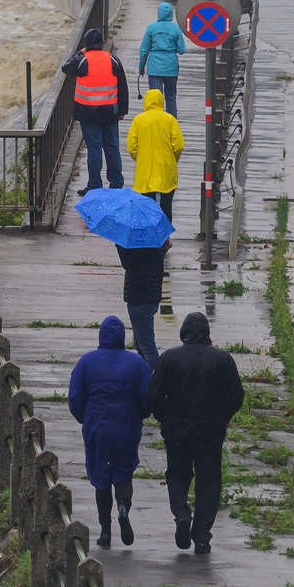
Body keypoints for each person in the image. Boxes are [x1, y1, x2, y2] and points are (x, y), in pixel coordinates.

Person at [149, 311, 244, 556]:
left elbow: (154, 395)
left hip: (177, 430)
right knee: (209, 481)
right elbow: (236, 396)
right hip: (210, 430)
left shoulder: (169, 358)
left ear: (184, 333)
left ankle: (181, 514)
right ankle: (202, 537)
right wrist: (223, 417)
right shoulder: (223, 359)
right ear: (207, 333)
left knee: (177, 475)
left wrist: (165, 419)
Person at [67, 315, 150, 550]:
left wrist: (84, 418)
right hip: (126, 427)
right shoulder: (136, 363)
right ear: (122, 336)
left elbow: (75, 397)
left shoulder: (86, 362)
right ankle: (123, 507)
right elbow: (146, 397)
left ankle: (105, 531)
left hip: (97, 428)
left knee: (100, 479)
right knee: (123, 472)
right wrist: (140, 416)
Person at [67, 27, 130, 195]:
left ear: (87, 44)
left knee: (94, 149)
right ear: (102, 43)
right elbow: (122, 86)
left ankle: (94, 184)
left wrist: (81, 52)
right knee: (111, 147)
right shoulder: (112, 59)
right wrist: (122, 110)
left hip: (88, 113)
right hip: (110, 112)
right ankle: (116, 183)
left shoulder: (83, 61)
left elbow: (66, 68)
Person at [126, 87, 184, 223]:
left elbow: (131, 146)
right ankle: (165, 237)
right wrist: (173, 158)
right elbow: (179, 145)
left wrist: (139, 158)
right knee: (166, 206)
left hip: (145, 172)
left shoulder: (138, 120)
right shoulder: (170, 119)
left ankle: (148, 237)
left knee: (146, 208)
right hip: (166, 170)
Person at [115, 238, 166, 368]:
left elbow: (128, 263)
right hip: (148, 296)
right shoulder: (154, 241)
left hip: (140, 297)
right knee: (141, 345)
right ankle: (145, 378)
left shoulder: (142, 244)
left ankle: (155, 381)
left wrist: (120, 244)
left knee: (146, 347)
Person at [138, 1, 185, 116]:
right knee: (171, 97)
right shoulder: (176, 29)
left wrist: (141, 66)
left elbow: (144, 50)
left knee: (155, 97)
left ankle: (155, 120)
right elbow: (181, 50)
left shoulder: (151, 28)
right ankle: (172, 122)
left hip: (155, 67)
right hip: (171, 67)